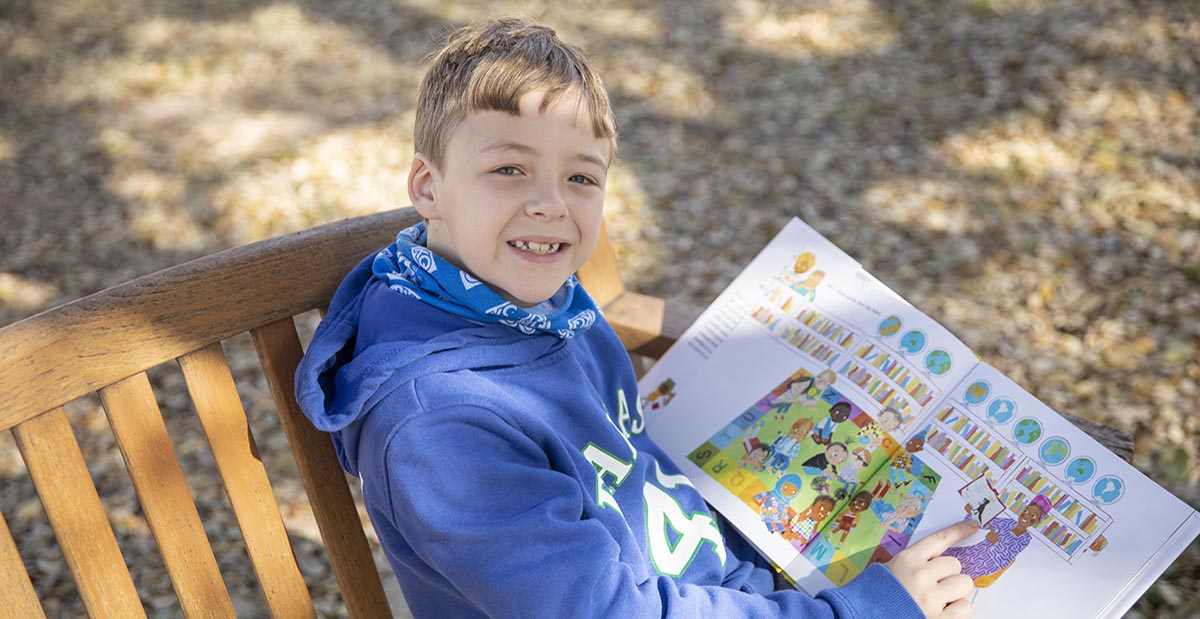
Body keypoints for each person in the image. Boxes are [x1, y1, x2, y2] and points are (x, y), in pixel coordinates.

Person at [294, 16, 975, 618]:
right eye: (509, 169)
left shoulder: (551, 310)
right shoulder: (438, 425)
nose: (550, 204)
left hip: (745, 570)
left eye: (581, 178)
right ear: (427, 186)